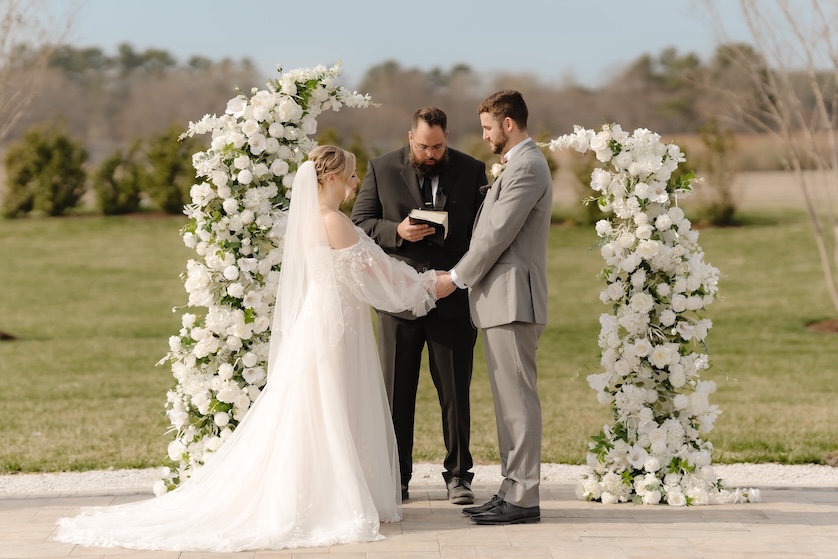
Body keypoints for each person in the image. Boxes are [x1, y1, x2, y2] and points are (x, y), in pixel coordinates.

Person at [55, 146, 441, 552]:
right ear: (329, 179)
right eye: (350, 175)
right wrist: (429, 283)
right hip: (336, 327)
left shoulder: (311, 220)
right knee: (331, 405)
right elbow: (377, 272)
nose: (355, 182)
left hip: (322, 320)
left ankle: (321, 490)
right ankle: (331, 498)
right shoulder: (335, 222)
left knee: (316, 408)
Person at [351, 107, 486, 504]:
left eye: (439, 146)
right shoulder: (380, 168)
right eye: (424, 146)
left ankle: (459, 477)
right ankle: (397, 477)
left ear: (448, 138)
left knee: (456, 394)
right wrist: (398, 231)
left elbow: (483, 233)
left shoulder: (472, 169)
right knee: (397, 393)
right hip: (398, 300)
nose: (431, 154)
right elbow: (359, 224)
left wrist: (458, 278)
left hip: (451, 298)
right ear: (410, 137)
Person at [437, 90, 553, 525]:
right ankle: (511, 489)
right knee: (508, 402)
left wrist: (456, 277)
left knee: (518, 402)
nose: (484, 136)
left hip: (513, 299)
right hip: (501, 301)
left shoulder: (527, 166)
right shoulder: (519, 165)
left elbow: (496, 235)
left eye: (488, 127)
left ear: (508, 124)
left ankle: (523, 498)